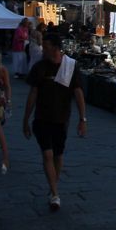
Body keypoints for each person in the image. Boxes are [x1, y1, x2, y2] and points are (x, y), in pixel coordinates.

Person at [23, 32, 89, 212]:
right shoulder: (39, 68)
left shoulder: (70, 66)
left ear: (55, 47)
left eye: (45, 46)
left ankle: (53, 187)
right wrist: (26, 118)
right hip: (42, 117)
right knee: (48, 155)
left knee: (58, 155)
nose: (43, 49)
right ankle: (54, 193)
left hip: (62, 118)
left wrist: (82, 119)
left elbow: (78, 93)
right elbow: (33, 94)